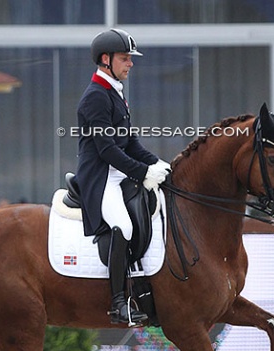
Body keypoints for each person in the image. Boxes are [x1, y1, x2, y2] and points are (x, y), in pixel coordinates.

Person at [75, 28, 170, 326]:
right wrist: (143, 173)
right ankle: (119, 303)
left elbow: (129, 143)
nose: (130, 64)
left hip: (120, 173)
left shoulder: (114, 93)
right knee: (123, 226)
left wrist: (158, 164)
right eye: (125, 58)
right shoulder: (95, 98)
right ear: (106, 60)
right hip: (101, 178)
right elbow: (106, 150)